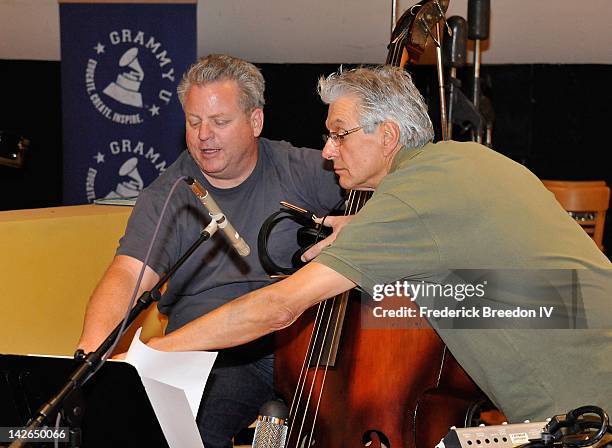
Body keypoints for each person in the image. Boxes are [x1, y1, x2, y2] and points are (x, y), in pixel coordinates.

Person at [144, 65, 612, 423]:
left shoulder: (411, 196)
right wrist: (375, 247)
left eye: (338, 134)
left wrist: (154, 356)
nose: (327, 151)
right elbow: (521, 294)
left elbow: (278, 308)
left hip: (584, 410)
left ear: (387, 135)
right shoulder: (466, 162)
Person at [77, 54, 343, 447]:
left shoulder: (304, 169)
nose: (204, 136)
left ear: (255, 121)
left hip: (301, 345)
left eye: (219, 122)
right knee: (188, 434)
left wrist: (364, 223)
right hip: (210, 354)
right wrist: (90, 358)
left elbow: (388, 185)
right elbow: (128, 276)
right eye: (194, 121)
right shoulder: (167, 196)